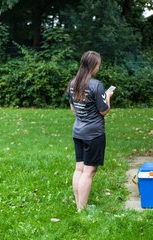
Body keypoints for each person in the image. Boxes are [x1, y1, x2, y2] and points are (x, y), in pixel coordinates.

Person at [67, 51, 113, 211]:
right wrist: (107, 96)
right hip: (93, 134)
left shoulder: (73, 83)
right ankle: (82, 209)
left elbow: (73, 109)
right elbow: (104, 110)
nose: (98, 68)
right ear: (93, 66)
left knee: (79, 168)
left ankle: (79, 204)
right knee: (89, 172)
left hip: (78, 132)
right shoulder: (96, 85)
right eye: (98, 65)